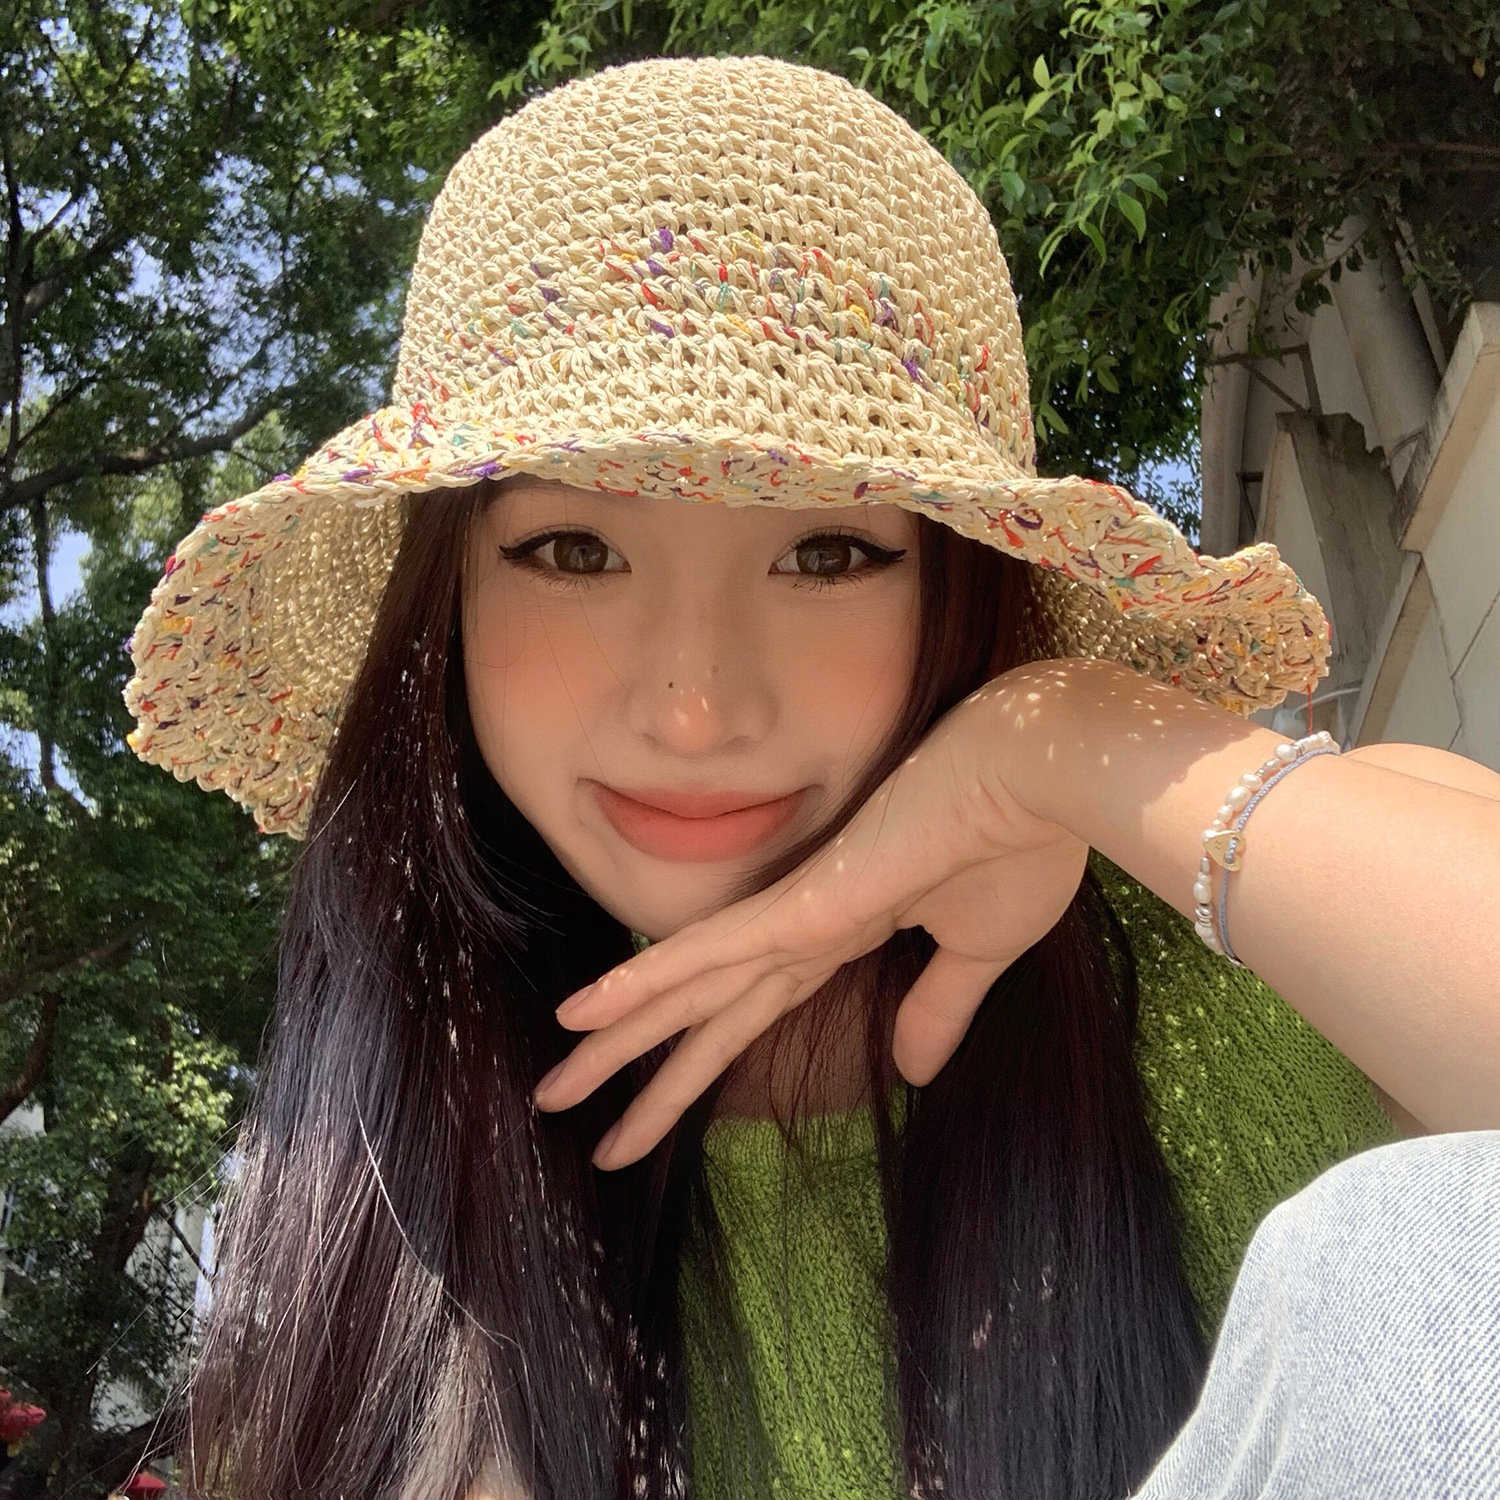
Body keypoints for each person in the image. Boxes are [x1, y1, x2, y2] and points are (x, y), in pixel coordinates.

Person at [121, 55, 1500, 1500]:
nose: (697, 706)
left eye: (830, 553)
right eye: (574, 550)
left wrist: (1067, 743)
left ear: (963, 585)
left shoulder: (1285, 947)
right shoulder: (370, 1243)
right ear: (446, 603)